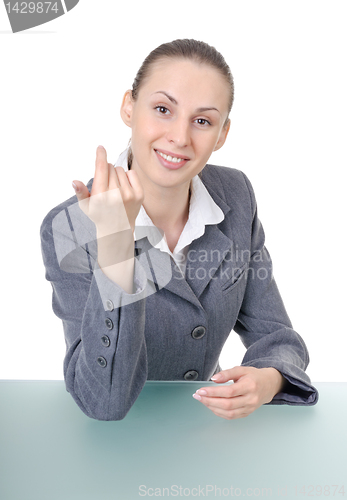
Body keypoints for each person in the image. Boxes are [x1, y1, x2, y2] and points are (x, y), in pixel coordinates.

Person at [40, 39, 318, 421]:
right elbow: (102, 401)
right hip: (113, 450)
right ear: (128, 107)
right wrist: (116, 247)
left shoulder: (235, 197)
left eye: (202, 121)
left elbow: (276, 336)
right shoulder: (69, 228)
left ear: (222, 134)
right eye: (162, 109)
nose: (181, 137)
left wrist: (268, 379)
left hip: (203, 437)